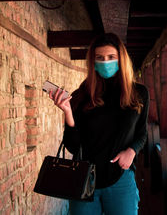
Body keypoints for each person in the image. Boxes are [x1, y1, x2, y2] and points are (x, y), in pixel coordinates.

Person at [50, 33, 149, 215]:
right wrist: (68, 112)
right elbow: (72, 146)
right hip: (83, 178)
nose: (106, 62)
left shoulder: (139, 93)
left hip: (121, 178)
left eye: (111, 57)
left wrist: (132, 150)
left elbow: (142, 133)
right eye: (100, 58)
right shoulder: (81, 95)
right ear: (93, 62)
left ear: (121, 59)